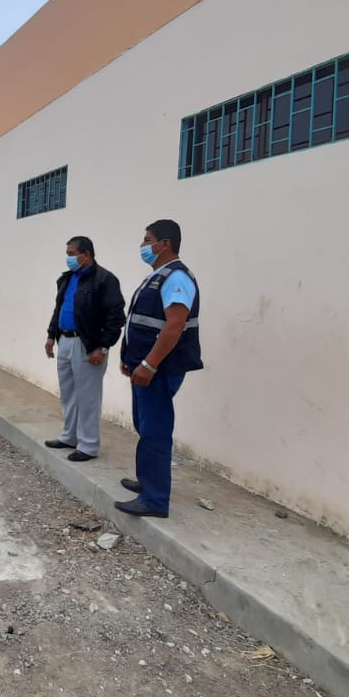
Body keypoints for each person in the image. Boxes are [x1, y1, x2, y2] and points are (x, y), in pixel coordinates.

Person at [116, 219, 202, 518]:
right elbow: (141, 322)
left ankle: (155, 500)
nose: (143, 245)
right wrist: (130, 358)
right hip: (143, 366)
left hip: (159, 370)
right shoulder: (158, 276)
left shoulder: (176, 278)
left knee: (155, 431)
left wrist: (150, 364)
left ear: (165, 244)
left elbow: (174, 325)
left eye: (147, 240)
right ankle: (147, 482)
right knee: (145, 426)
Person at [45, 236, 125, 461]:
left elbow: (116, 317)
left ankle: (88, 445)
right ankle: (69, 436)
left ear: (87, 254)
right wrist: (51, 335)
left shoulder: (104, 280)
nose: (68, 258)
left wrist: (103, 346)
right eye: (67, 254)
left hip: (88, 344)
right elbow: (59, 308)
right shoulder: (67, 279)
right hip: (65, 339)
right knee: (68, 393)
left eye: (72, 254)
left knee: (88, 396)